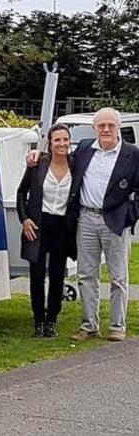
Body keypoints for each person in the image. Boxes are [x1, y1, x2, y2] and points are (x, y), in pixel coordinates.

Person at [66, 108, 139, 341]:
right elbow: (60, 160)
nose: (106, 129)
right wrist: (35, 157)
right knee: (87, 275)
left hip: (116, 220)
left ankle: (118, 326)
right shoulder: (85, 149)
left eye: (110, 125)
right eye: (101, 126)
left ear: (118, 127)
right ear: (94, 128)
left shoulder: (132, 154)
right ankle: (89, 326)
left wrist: (130, 214)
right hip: (86, 218)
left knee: (118, 277)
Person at [16, 123, 75, 339]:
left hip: (63, 226)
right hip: (38, 225)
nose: (62, 144)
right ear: (50, 143)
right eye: (57, 140)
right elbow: (22, 193)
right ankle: (38, 321)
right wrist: (25, 219)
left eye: (65, 139)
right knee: (37, 275)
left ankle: (52, 321)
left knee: (58, 275)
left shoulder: (75, 165)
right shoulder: (38, 164)